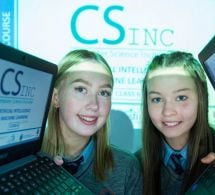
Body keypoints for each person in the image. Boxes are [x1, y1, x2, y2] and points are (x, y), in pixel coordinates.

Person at [41, 49, 142, 194]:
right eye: (81, 89)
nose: (94, 105)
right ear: (56, 97)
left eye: (103, 93)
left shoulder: (127, 166)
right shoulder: (21, 162)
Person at [138, 51, 215, 195]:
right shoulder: (134, 165)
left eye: (181, 97)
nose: (168, 111)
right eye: (157, 99)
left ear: (201, 99)